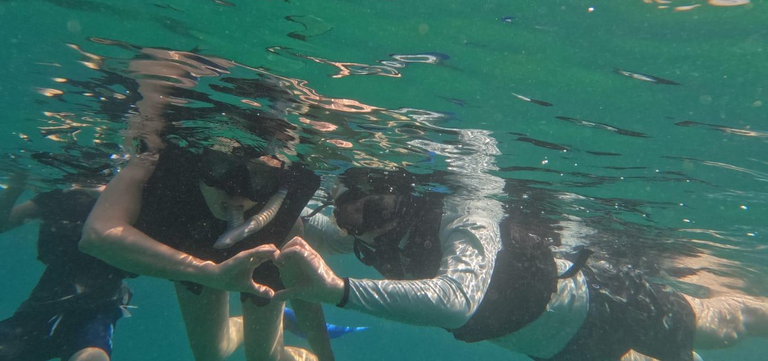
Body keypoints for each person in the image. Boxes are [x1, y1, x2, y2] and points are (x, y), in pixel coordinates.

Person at [272, 167, 768, 361]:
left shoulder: (464, 215)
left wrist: (339, 290)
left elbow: (457, 301)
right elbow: (291, 220)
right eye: (346, 214)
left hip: (604, 304)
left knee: (722, 327)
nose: (361, 226)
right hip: (557, 349)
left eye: (373, 209)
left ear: (401, 194)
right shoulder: (364, 234)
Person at [79, 48, 334, 361]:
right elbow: (96, 235)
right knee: (211, 354)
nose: (237, 193)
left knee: (264, 359)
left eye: (259, 179)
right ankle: (246, 324)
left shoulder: (286, 194)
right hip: (194, 253)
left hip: (259, 259)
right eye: (221, 169)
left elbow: (302, 284)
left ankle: (279, 338)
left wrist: (325, 355)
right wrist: (208, 273)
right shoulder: (161, 159)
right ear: (199, 162)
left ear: (278, 179)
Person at [0, 171, 133, 361]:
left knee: (92, 355)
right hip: (43, 304)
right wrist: (15, 187)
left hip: (97, 306)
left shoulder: (130, 200)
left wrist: (108, 196)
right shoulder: (59, 196)